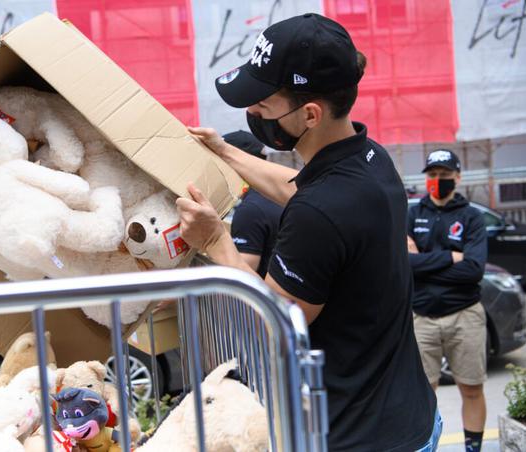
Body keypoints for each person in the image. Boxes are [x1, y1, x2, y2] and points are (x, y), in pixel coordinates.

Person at [175, 13, 439, 451]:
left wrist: (214, 241)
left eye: (263, 101)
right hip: (408, 416)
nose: (252, 111)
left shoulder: (319, 212)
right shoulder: (368, 159)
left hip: (360, 437)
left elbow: (273, 319)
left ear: (310, 114)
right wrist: (225, 152)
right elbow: (295, 189)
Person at [407, 149, 488, 452]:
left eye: (443, 175)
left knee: (471, 387)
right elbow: (404, 265)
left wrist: (424, 264)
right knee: (423, 393)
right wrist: (450, 258)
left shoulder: (472, 217)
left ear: (458, 177)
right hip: (422, 317)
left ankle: (473, 448)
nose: (437, 180)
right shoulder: (413, 214)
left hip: (464, 315)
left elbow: (473, 270)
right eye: (432, 175)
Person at [223, 130, 283, 278]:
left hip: (272, 298)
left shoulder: (250, 210)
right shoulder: (277, 195)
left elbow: (242, 274)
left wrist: (212, 241)